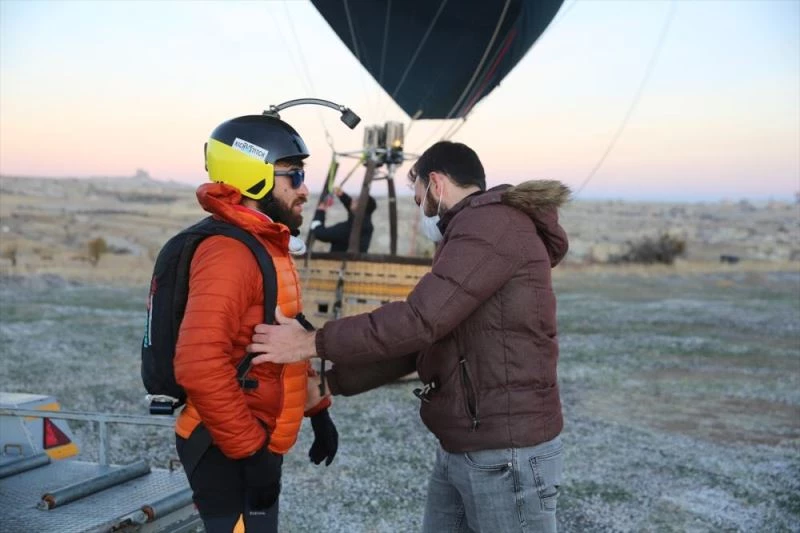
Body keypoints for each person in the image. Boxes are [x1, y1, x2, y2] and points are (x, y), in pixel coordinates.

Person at [247, 140, 571, 533]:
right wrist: (333, 382)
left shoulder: (490, 228)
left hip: (505, 452)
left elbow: (419, 321)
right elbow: (426, 339)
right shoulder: (472, 233)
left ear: (435, 183)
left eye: (415, 193)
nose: (417, 205)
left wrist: (308, 342)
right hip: (469, 442)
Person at [173, 114, 337, 532]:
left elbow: (284, 341)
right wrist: (251, 455)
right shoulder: (229, 254)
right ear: (254, 176)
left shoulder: (266, 243)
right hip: (226, 447)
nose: (304, 189)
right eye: (294, 175)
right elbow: (198, 364)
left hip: (251, 439)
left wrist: (317, 410)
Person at [310, 186, 377, 252]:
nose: (353, 200)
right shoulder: (367, 225)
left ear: (361, 208)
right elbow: (354, 209)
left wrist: (320, 211)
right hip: (354, 261)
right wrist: (342, 195)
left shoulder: (348, 229)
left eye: (356, 201)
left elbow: (319, 233)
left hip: (340, 261)